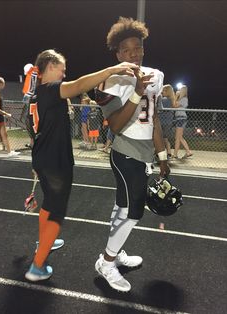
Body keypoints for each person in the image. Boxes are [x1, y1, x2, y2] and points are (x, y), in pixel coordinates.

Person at [24, 48, 138, 282]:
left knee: (48, 205)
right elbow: (78, 85)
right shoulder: (51, 88)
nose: (64, 74)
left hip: (43, 156)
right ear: (50, 66)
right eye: (62, 69)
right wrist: (112, 69)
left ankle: (43, 242)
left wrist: (37, 160)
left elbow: (33, 127)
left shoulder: (36, 93)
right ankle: (37, 266)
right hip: (56, 162)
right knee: (56, 213)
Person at [94, 17, 170, 292]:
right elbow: (114, 125)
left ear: (143, 48)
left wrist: (162, 155)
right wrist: (136, 93)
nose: (132, 54)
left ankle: (116, 251)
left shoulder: (156, 75)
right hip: (125, 152)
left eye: (136, 47)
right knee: (132, 211)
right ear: (117, 54)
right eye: (125, 50)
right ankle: (107, 261)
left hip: (145, 153)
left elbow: (155, 119)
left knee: (122, 207)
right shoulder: (111, 79)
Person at [0, 77, 20, 158]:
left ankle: (9, 152)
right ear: (0, 85)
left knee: (4, 135)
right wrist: (6, 114)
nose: (4, 85)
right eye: (3, 83)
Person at [173, 85, 192, 159]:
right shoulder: (181, 99)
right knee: (179, 137)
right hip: (179, 118)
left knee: (178, 137)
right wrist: (177, 97)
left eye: (180, 90)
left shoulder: (184, 99)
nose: (178, 91)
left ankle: (176, 154)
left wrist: (176, 96)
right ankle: (187, 151)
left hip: (181, 118)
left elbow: (174, 105)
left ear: (183, 91)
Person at [158, 84, 176, 159]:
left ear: (167, 92)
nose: (162, 92)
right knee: (165, 138)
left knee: (160, 138)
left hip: (162, 122)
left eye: (163, 91)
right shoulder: (172, 100)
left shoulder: (164, 100)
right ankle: (169, 153)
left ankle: (160, 154)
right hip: (168, 122)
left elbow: (159, 106)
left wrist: (158, 96)